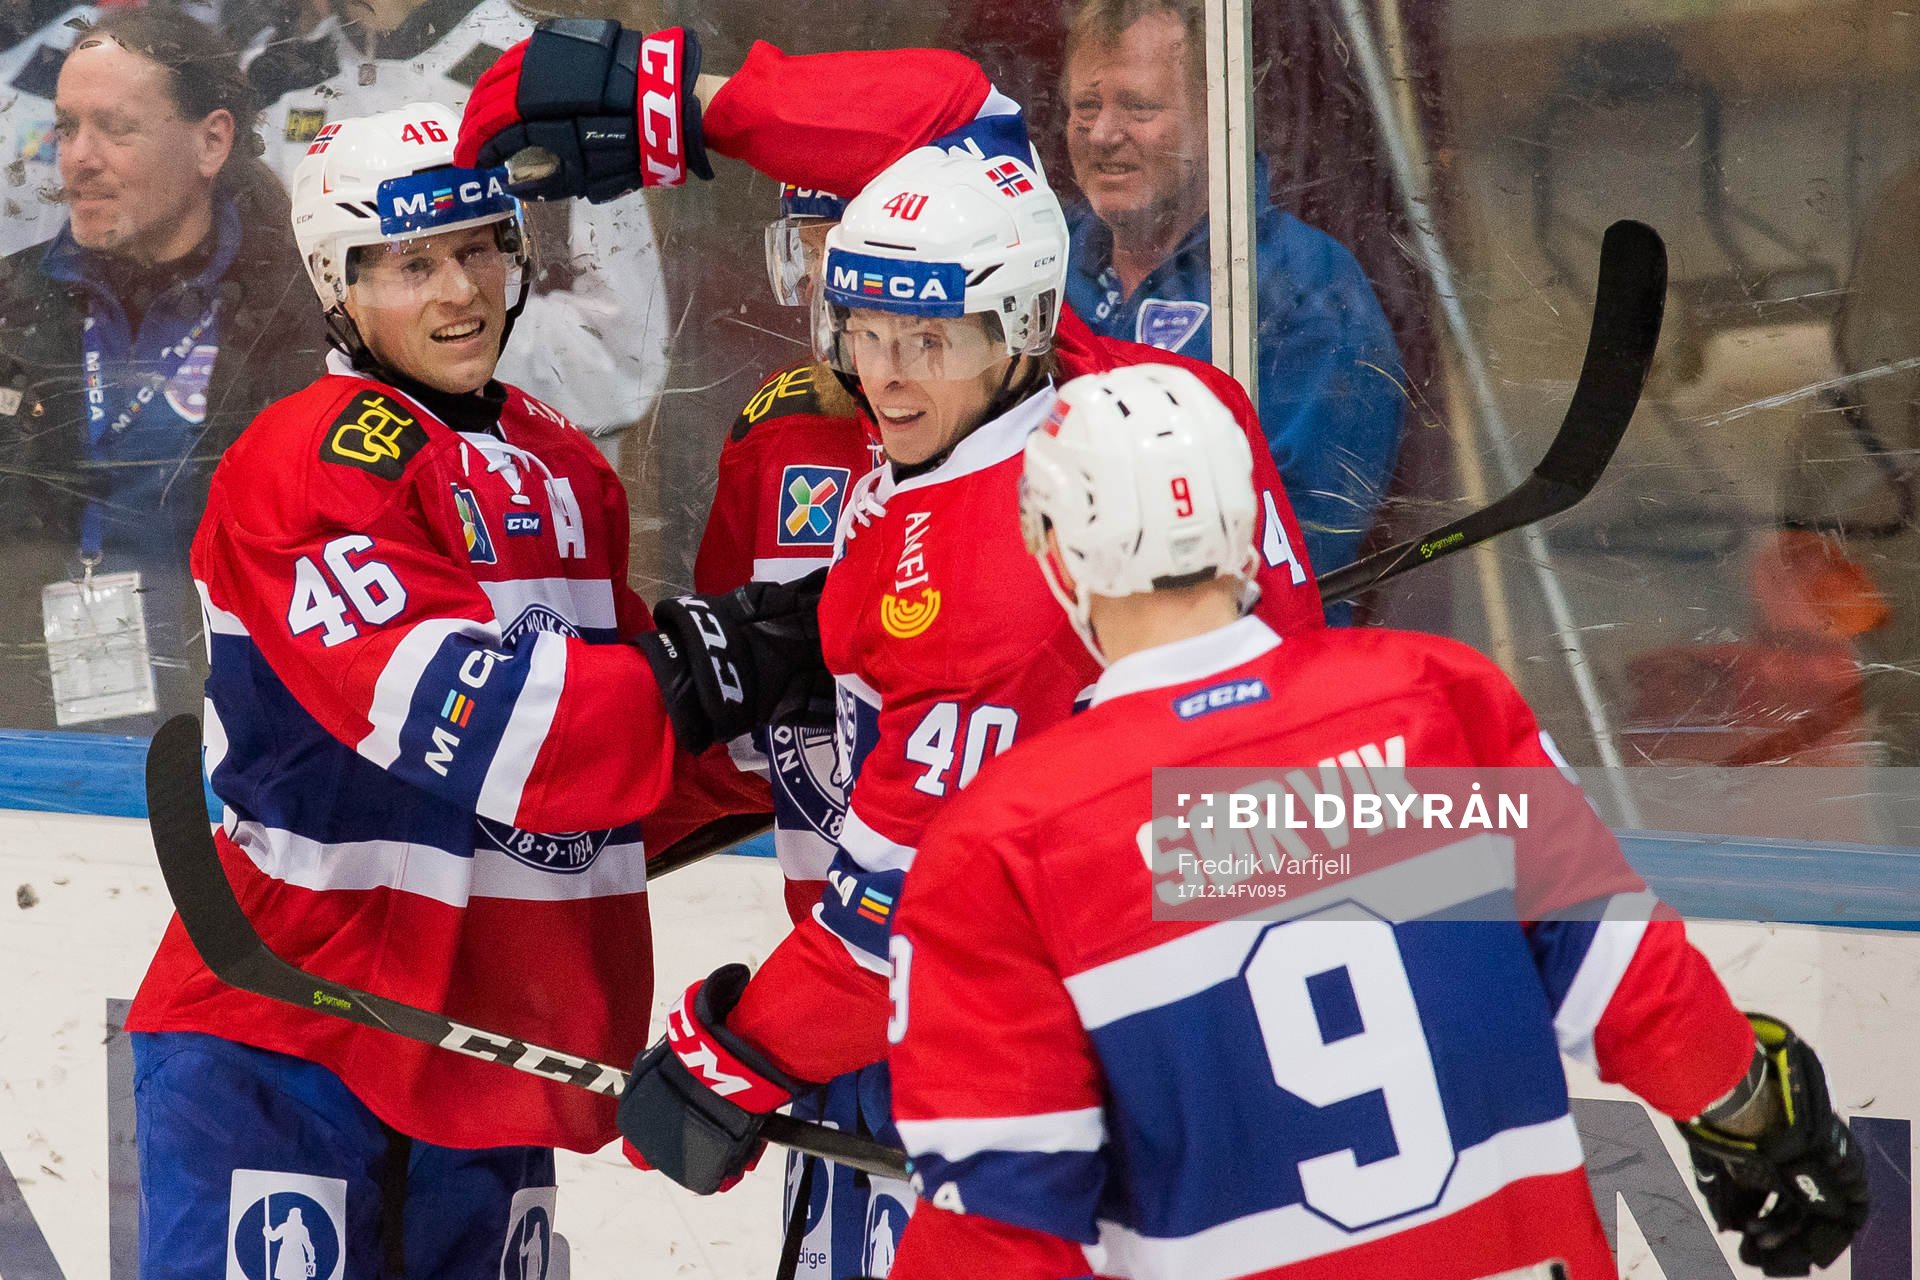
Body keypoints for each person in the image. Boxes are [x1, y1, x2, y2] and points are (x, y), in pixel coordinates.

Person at [453, 24, 1326, 1206]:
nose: (887, 376)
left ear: (1014, 325)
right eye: (863, 329)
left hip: (1040, 1064)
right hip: (1176, 1001)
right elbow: (952, 114)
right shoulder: (1151, 399)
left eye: (924, 340)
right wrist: (686, 103)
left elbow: (895, 935)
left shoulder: (981, 561)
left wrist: (728, 1056)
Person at [879, 364, 1872, 1280]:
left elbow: (1003, 1231)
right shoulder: (1432, 703)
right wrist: (1757, 1110)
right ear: (1244, 522)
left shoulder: (1010, 842)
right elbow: (1631, 985)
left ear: (1054, 551)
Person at [123, 101, 819, 1277]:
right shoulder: (305, 464)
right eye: (412, 264)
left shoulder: (562, 463)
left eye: (481, 246)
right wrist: (720, 665)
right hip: (292, 1037)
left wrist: (807, 723)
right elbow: (484, 725)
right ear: (338, 286)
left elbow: (602, 786)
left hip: (483, 1044)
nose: (460, 292)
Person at [0, 8, 325, 730]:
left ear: (211, 141)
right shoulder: (14, 307)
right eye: (66, 126)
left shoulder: (300, 318)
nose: (78, 158)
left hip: (240, 735)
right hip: (35, 724)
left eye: (115, 129)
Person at [692, 180, 895, 1277]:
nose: (831, 290)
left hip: (984, 1031)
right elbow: (735, 750)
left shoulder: (1054, 443)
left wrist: (735, 1050)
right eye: (810, 251)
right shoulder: (779, 428)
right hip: (831, 998)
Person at [1060, 0, 1406, 577]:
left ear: (1218, 115)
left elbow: (1302, 546)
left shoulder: (1301, 285)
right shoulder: (1042, 257)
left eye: (1139, 107)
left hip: (1231, 649)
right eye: (1085, 105)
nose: (1101, 133)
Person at [238, 0, 674, 448]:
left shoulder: (549, 69)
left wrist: (425, 333)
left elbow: (622, 364)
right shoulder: (271, 78)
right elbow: (252, 327)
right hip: (336, 469)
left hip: (524, 482)